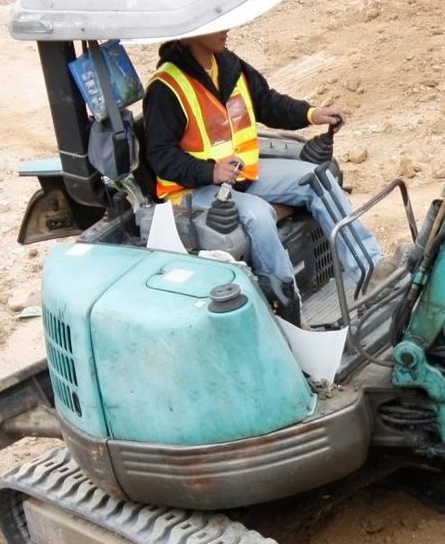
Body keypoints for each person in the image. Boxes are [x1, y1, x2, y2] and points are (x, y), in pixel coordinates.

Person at [143, 27, 381, 323]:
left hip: (243, 175)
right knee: (257, 214)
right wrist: (210, 171)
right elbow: (160, 155)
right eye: (217, 24)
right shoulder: (166, 87)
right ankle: (289, 308)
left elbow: (267, 103)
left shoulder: (228, 64)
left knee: (317, 178)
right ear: (192, 32)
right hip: (193, 189)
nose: (227, 28)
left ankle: (370, 271)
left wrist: (311, 114)